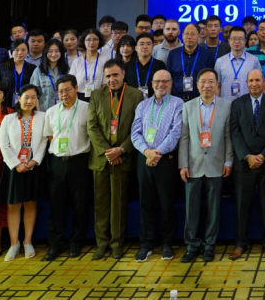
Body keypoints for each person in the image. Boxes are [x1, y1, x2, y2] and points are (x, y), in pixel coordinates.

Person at [87, 59, 144, 260]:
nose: (112, 79)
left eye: (115, 75)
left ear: (123, 74)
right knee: (101, 203)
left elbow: (138, 127)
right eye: (108, 76)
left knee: (118, 203)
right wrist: (108, 152)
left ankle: (117, 243)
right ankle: (102, 242)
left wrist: (121, 150)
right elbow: (91, 126)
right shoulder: (96, 95)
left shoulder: (136, 95)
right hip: (101, 159)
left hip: (123, 157)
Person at [177, 69, 234, 263]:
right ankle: (192, 246)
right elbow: (184, 138)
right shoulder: (188, 106)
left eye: (211, 82)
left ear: (217, 84)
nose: (207, 86)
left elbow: (228, 137)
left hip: (216, 165)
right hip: (193, 165)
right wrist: (183, 164)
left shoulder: (227, 106)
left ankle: (209, 245)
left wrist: (228, 161)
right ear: (197, 84)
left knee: (213, 209)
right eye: (203, 82)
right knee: (191, 209)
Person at [226, 69, 265, 260]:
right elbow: (234, 133)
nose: (254, 83)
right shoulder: (237, 104)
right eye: (251, 80)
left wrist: (263, 156)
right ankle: (240, 243)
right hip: (244, 165)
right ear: (246, 83)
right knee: (242, 205)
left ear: (264, 82)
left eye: (258, 80)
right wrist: (247, 156)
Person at [131, 70, 184, 262]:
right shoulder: (143, 105)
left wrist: (157, 153)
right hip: (144, 159)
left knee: (166, 203)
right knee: (145, 202)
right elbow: (135, 132)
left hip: (165, 160)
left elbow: (175, 133)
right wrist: (147, 151)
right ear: (152, 83)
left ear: (170, 83)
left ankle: (166, 243)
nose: (160, 84)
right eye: (157, 81)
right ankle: (146, 244)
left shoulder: (178, 103)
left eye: (165, 81)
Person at [42, 76, 92, 261]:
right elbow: (50, 137)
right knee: (57, 205)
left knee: (80, 205)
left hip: (80, 162)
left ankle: (76, 242)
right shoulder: (51, 111)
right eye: (61, 91)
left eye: (68, 90)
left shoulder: (87, 108)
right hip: (57, 163)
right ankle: (54, 244)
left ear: (76, 88)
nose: (64, 94)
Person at [0, 85, 46, 261]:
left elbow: (44, 141)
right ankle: (13, 243)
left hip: (33, 166)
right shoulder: (8, 118)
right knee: (13, 205)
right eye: (26, 97)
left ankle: (27, 241)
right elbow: (3, 144)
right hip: (13, 167)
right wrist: (16, 164)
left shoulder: (43, 117)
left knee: (30, 204)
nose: (29, 101)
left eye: (33, 97)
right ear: (19, 98)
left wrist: (34, 161)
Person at [166, 23, 216, 102]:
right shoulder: (173, 54)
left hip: (199, 99)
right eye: (186, 34)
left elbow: (210, 79)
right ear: (182, 35)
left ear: (199, 36)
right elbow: (169, 79)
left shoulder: (207, 55)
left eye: (192, 34)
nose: (189, 37)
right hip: (176, 99)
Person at [213, 27, 262, 102]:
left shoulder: (254, 60)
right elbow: (217, 86)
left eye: (240, 39)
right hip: (226, 103)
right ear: (229, 40)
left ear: (245, 41)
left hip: (247, 104)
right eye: (234, 38)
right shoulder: (220, 61)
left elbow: (259, 84)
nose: (237, 41)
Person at [0, 40, 43, 108]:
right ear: (11, 52)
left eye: (23, 50)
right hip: (6, 105)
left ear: (27, 51)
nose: (20, 53)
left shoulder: (33, 68)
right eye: (17, 50)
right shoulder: (2, 67)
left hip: (27, 103)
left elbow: (35, 89)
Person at [32, 39, 69, 111]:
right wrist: (39, 112)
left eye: (57, 51)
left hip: (64, 110)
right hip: (44, 111)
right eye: (50, 51)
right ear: (45, 52)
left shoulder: (67, 70)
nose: (53, 54)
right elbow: (34, 94)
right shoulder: (38, 71)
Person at [70, 29, 107, 101]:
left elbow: (105, 83)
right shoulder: (77, 61)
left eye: (95, 39)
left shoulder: (105, 60)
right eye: (88, 40)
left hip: (98, 97)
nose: (92, 42)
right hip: (78, 97)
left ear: (99, 41)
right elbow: (71, 81)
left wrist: (99, 99)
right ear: (84, 42)